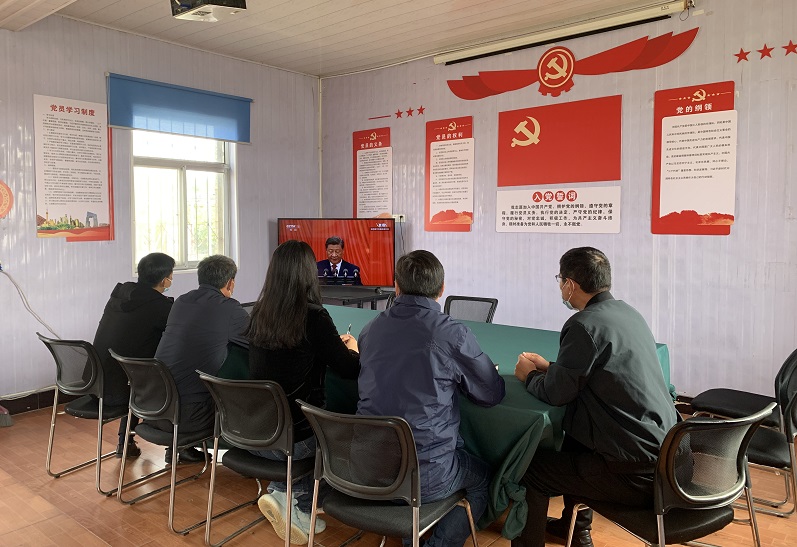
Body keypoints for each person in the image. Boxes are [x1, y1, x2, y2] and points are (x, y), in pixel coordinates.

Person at [511, 247, 678, 547]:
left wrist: (530, 375)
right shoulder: (628, 313)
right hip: (666, 458)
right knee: (575, 439)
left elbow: (556, 394)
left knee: (531, 469)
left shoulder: (582, 324)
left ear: (570, 285)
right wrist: (552, 368)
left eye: (560, 280)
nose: (560, 287)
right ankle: (575, 530)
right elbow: (599, 372)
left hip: (633, 473)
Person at [357, 250, 505, 547]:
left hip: (371, 467)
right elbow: (491, 393)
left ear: (396, 286)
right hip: (427, 475)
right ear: (442, 289)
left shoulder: (370, 329)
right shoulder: (451, 333)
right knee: (485, 480)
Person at [248, 240, 360, 545]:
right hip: (296, 439)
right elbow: (348, 369)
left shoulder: (259, 312)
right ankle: (290, 499)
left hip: (257, 434)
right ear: (309, 273)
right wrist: (352, 348)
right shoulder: (314, 317)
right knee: (333, 433)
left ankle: (286, 496)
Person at [154, 254, 249, 464]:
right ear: (230, 283)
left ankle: (181, 447)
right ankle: (252, 457)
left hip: (155, 408)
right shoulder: (229, 308)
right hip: (189, 417)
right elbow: (260, 344)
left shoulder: (181, 301)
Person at [92, 252, 175, 458]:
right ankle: (178, 447)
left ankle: (125, 442)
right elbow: (177, 336)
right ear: (164, 280)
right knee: (173, 372)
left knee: (133, 370)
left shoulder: (120, 295)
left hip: (95, 381)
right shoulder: (159, 306)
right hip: (121, 389)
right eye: (171, 275)